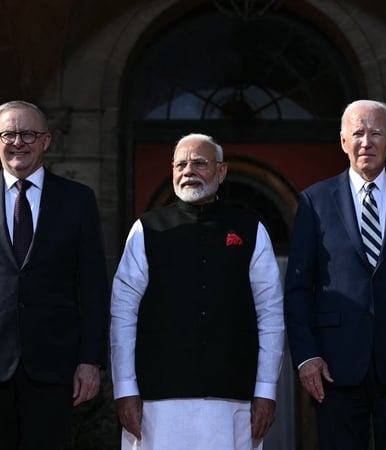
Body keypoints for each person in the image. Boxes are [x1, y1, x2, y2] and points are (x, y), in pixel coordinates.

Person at [0, 100, 110, 450]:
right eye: (9, 134)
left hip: (54, 363)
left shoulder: (78, 200)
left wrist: (90, 361)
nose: (18, 142)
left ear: (45, 141)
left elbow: (93, 286)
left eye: (28, 133)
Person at [283, 99, 386, 449]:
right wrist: (307, 356)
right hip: (335, 364)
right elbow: (298, 288)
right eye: (358, 133)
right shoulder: (315, 201)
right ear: (343, 141)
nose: (366, 141)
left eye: (376, 133)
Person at [110, 133, 285, 450]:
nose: (188, 170)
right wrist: (125, 390)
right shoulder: (146, 229)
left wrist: (265, 391)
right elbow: (123, 314)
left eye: (199, 163)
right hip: (156, 400)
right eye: (180, 164)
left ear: (221, 172)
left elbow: (270, 314)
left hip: (233, 399)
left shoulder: (249, 228)